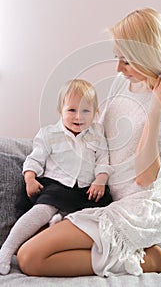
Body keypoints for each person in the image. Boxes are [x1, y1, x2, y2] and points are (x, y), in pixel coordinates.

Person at [16, 8, 161, 277]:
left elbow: (145, 176)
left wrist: (155, 110)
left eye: (126, 61)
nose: (118, 68)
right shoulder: (121, 83)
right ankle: (136, 259)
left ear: (147, 55)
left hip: (141, 211)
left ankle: (149, 262)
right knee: (28, 252)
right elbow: (96, 137)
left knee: (30, 258)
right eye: (118, 58)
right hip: (106, 201)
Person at [0, 79, 113, 275]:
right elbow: (34, 160)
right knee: (42, 210)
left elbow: (104, 161)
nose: (79, 116)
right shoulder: (49, 134)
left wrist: (100, 180)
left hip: (84, 191)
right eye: (71, 110)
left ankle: (60, 219)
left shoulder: (97, 135)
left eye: (86, 111)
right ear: (60, 110)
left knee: (94, 215)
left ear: (96, 113)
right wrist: (30, 178)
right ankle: (6, 249)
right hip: (56, 186)